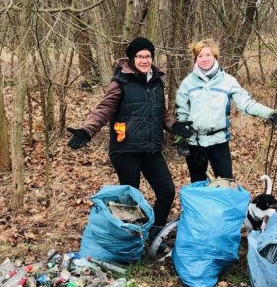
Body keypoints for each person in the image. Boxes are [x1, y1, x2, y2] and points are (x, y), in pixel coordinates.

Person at [67, 37, 194, 243]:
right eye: (140, 56)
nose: (144, 60)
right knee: (130, 200)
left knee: (167, 191)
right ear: (132, 58)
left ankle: (155, 235)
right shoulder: (120, 82)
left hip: (151, 149)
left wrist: (174, 126)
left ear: (152, 58)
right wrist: (87, 131)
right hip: (125, 150)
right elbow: (104, 109)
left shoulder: (156, 82)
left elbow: (161, 113)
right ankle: (129, 241)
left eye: (148, 56)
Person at [175, 38, 277, 183]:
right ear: (195, 59)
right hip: (195, 144)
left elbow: (246, 104)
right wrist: (181, 138)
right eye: (200, 56)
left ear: (215, 56)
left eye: (207, 55)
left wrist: (269, 113)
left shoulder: (228, 81)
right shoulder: (188, 83)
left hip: (219, 142)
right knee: (198, 187)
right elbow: (182, 114)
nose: (204, 59)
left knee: (227, 185)